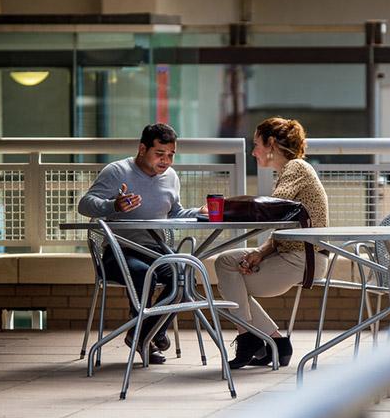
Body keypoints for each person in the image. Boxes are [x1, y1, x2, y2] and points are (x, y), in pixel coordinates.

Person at [78, 123, 203, 364]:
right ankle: (149, 335)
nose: (166, 161)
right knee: (145, 275)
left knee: (185, 277)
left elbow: (173, 213)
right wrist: (113, 205)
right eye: (159, 154)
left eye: (170, 155)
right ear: (142, 149)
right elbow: (85, 204)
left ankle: (145, 333)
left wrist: (200, 212)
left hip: (157, 250)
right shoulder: (116, 171)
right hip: (120, 252)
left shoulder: (171, 177)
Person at [215, 117, 329, 369]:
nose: (253, 151)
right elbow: (286, 219)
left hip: (303, 259)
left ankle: (249, 337)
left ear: (271, 143)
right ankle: (275, 342)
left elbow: (273, 208)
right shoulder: (292, 170)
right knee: (226, 263)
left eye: (256, 144)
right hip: (296, 254)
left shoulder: (296, 167)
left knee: (231, 283)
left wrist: (226, 208)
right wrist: (261, 251)